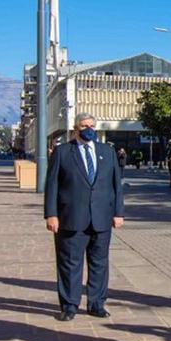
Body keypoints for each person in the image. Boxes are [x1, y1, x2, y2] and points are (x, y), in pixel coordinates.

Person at [44, 113, 125, 321]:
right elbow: (51, 186)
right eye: (83, 126)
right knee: (70, 263)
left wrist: (118, 212)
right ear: (75, 129)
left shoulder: (107, 152)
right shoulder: (62, 152)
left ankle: (97, 303)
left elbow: (116, 185)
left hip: (101, 218)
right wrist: (51, 214)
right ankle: (70, 305)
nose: (88, 129)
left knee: (99, 263)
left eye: (91, 125)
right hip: (71, 218)